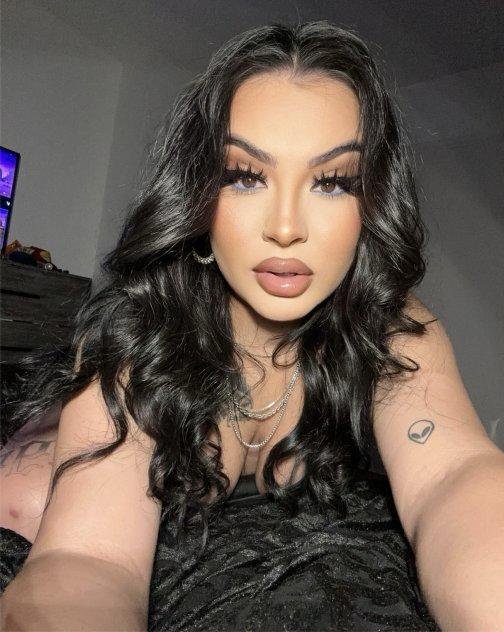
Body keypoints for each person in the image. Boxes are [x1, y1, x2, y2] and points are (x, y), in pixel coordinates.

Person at [1, 20, 503, 632]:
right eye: (245, 176)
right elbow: (88, 559)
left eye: (331, 182)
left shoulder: (388, 327)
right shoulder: (141, 341)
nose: (285, 227)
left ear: (372, 201)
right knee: (27, 501)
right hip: (30, 482)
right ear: (197, 193)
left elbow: (455, 476)